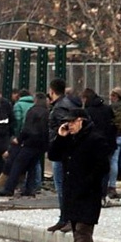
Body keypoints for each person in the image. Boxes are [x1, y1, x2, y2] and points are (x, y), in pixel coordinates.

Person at [49, 108, 110, 242]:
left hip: (89, 191)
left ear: (81, 120)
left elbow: (103, 167)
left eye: (72, 122)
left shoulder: (95, 139)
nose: (69, 125)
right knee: (78, 227)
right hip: (72, 191)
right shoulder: (70, 139)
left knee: (83, 228)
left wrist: (89, 183)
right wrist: (60, 137)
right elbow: (53, 155)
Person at [0, 93, 49, 196]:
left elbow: (27, 128)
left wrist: (20, 139)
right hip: (40, 145)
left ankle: (9, 188)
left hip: (29, 142)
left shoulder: (32, 111)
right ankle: (30, 189)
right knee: (32, 166)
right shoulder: (46, 112)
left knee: (18, 165)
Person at [46, 78, 77, 232]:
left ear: (52, 91)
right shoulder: (68, 104)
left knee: (62, 186)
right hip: (64, 152)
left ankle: (66, 218)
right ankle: (65, 218)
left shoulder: (59, 108)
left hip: (61, 152)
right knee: (63, 185)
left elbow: (63, 131)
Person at [80, 88, 117, 201]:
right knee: (105, 169)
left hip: (92, 145)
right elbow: (114, 125)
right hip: (108, 144)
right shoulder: (107, 109)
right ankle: (103, 194)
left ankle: (93, 194)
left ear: (85, 99)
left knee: (91, 169)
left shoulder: (87, 111)